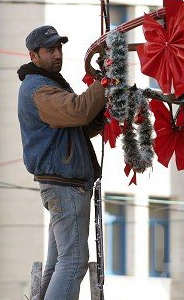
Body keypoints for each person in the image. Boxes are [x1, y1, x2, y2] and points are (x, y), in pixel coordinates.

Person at [17, 25, 106, 300]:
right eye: (50, 50)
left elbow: (79, 126)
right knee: (74, 262)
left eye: (59, 48)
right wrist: (104, 83)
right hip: (66, 186)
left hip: (62, 185)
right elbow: (78, 111)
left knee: (58, 265)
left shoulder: (49, 84)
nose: (57, 54)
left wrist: (101, 110)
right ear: (34, 56)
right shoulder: (40, 89)